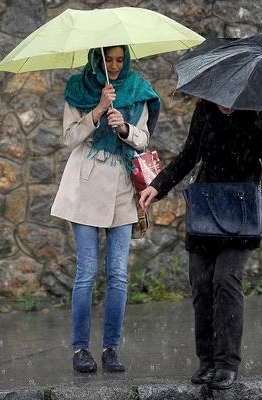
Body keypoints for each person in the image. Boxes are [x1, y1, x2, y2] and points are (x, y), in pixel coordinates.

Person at [138, 99, 262, 389]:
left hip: (241, 210)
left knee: (226, 280)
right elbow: (189, 154)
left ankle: (227, 363)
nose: (225, 105)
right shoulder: (204, 109)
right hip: (206, 207)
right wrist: (158, 185)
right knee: (202, 283)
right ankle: (207, 361)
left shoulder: (258, 110)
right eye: (220, 99)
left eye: (231, 99)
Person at [51, 45, 160, 373]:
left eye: (119, 60)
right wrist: (97, 111)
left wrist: (124, 127)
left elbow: (143, 139)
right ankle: (80, 349)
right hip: (85, 181)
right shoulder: (78, 88)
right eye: (108, 59)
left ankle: (111, 347)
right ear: (97, 60)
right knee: (86, 272)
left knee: (118, 274)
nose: (113, 66)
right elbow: (69, 138)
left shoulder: (138, 90)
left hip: (121, 185)